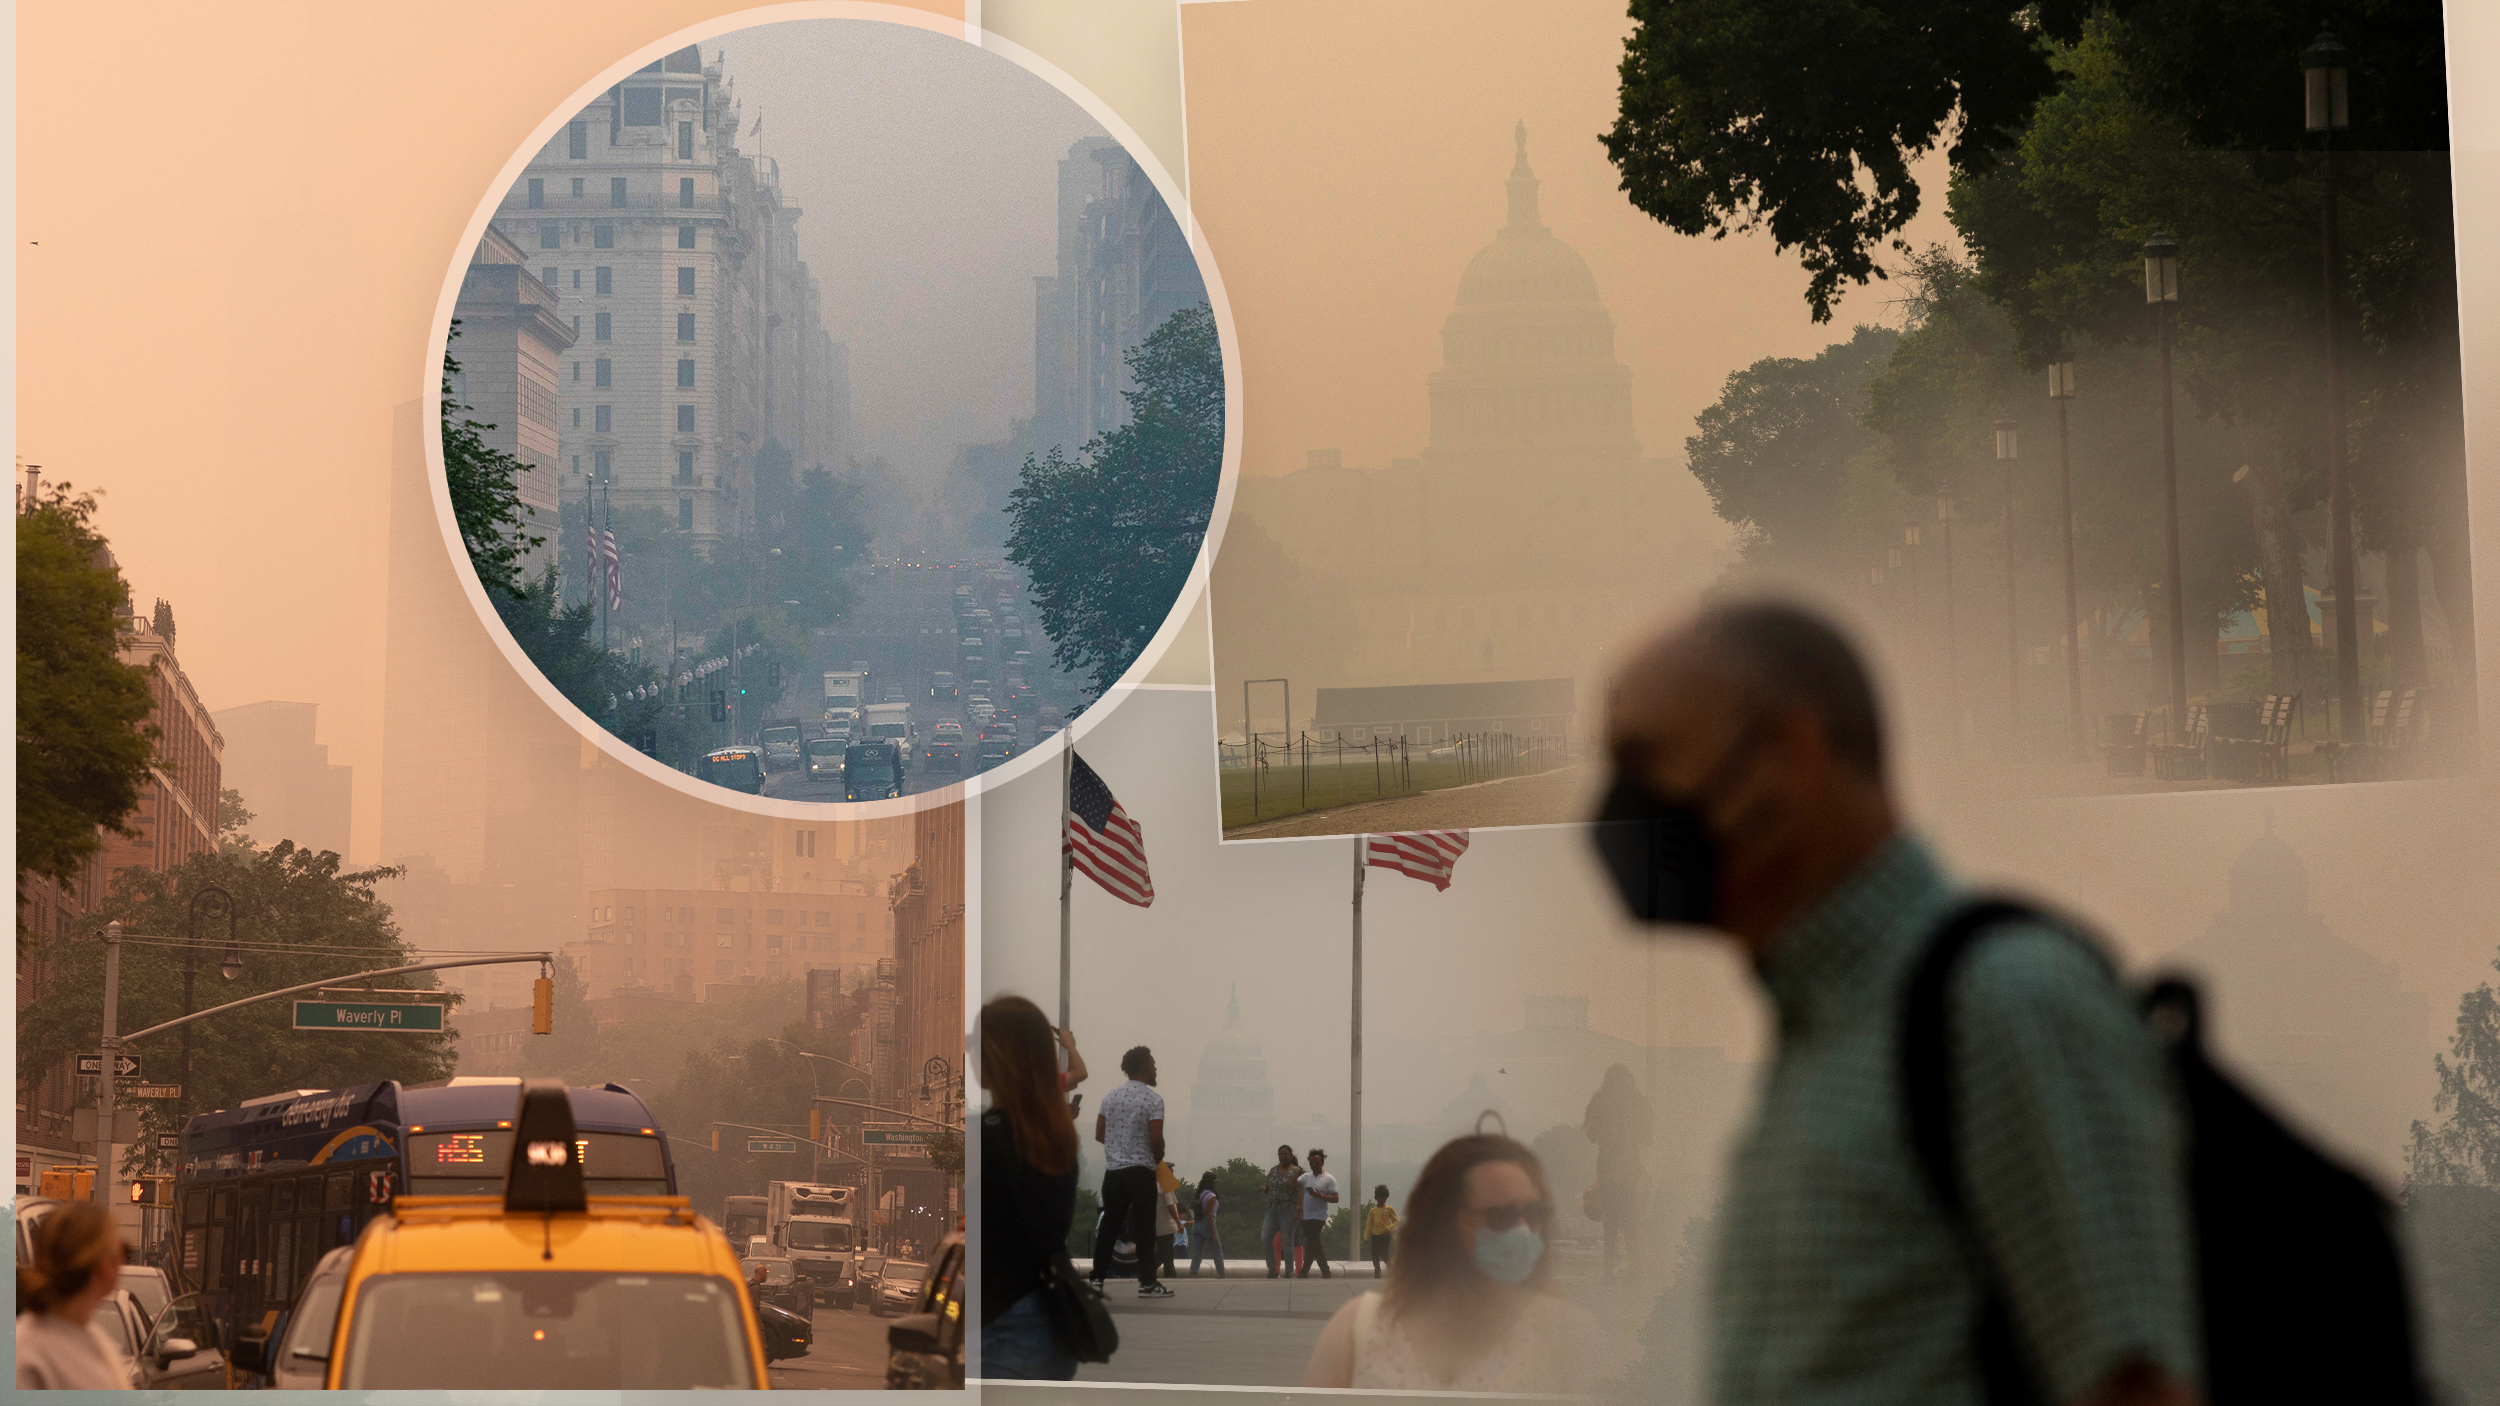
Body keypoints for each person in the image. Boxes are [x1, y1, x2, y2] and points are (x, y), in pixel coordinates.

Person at [1596, 599, 2198, 1406]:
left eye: (1646, 762)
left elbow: (2134, 1389)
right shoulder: (1829, 1026)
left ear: (1790, 751)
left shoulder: (2005, 1003)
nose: (1618, 807)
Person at [1303, 1130, 1593, 1391]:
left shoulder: (1569, 1337)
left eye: (1534, 1214)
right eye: (1500, 1215)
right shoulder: (1358, 1333)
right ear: (1442, 1222)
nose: (1522, 1230)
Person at [976, 995, 1083, 1380]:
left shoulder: (991, 1137)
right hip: (1048, 1316)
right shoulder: (1058, 1137)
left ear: (999, 1055)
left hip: (999, 1321)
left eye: (978, 1043)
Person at [17, 1200, 135, 1389]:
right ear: (105, 1266)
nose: (122, 1261)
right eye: (123, 1251)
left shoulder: (96, 1339)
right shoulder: (28, 1357)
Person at [1091, 1046, 1174, 1298]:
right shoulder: (1153, 1100)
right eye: (1153, 1063)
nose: (1155, 1067)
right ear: (1144, 1068)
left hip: (1114, 1173)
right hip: (1141, 1171)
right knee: (1145, 1228)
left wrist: (1119, 1148)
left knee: (1109, 1227)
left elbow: (1099, 1133)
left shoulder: (1110, 1097)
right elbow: (1156, 1139)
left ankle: (1096, 1280)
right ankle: (1147, 1283)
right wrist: (1156, 1156)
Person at [1580, 1063, 1651, 1280]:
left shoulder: (1600, 1101)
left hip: (1608, 1166)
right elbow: (1648, 1137)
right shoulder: (1637, 1102)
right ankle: (1635, 1269)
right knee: (1630, 1218)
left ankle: (1609, 1270)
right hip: (1630, 1167)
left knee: (1610, 1220)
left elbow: (1591, 1136)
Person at [1296, 1148, 1340, 1279]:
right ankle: (1325, 1271)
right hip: (1306, 1215)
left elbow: (1336, 1198)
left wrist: (1320, 1196)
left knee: (1311, 1241)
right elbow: (1292, 1186)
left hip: (1319, 1216)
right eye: (1312, 1163)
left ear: (1322, 1163)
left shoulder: (1329, 1179)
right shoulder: (1305, 1178)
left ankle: (1305, 1271)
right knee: (1314, 1242)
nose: (1314, 1165)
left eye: (1317, 1163)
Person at [1261, 1145, 1302, 1278]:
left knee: (1287, 1241)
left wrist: (1298, 1210)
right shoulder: (1273, 1170)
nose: (1283, 1156)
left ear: (1291, 1155)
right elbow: (1271, 1188)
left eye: (1285, 1154)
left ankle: (1289, 1271)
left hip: (1288, 1211)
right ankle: (1272, 1269)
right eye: (1280, 1154)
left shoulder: (1297, 1171)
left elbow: (1300, 1192)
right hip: (1272, 1210)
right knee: (1265, 1238)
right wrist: (1265, 1189)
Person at [1190, 1169, 1226, 1277]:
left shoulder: (1199, 1194)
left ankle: (1193, 1273)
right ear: (1213, 1182)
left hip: (1196, 1224)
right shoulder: (1211, 1196)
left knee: (1197, 1253)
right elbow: (1210, 1215)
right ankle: (1222, 1274)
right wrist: (1213, 1232)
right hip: (1207, 1223)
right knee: (1217, 1251)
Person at [1363, 1185, 1399, 1278]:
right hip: (1375, 1235)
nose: (1383, 1200)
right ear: (1376, 1198)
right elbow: (1369, 1224)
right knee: (1374, 1254)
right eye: (1381, 1198)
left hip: (1386, 1235)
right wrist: (1366, 1237)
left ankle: (1391, 1269)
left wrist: (1390, 1228)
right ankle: (1377, 1270)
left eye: (1385, 1198)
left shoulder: (1389, 1209)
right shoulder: (1373, 1211)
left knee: (1384, 1253)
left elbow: (1395, 1221)